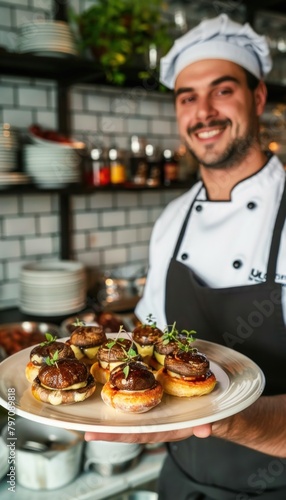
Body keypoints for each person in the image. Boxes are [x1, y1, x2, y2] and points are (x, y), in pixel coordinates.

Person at [85, 13, 286, 499]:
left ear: (257, 97)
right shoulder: (172, 219)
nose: (205, 112)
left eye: (223, 90)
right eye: (187, 97)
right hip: (179, 484)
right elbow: (146, 343)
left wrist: (217, 420)